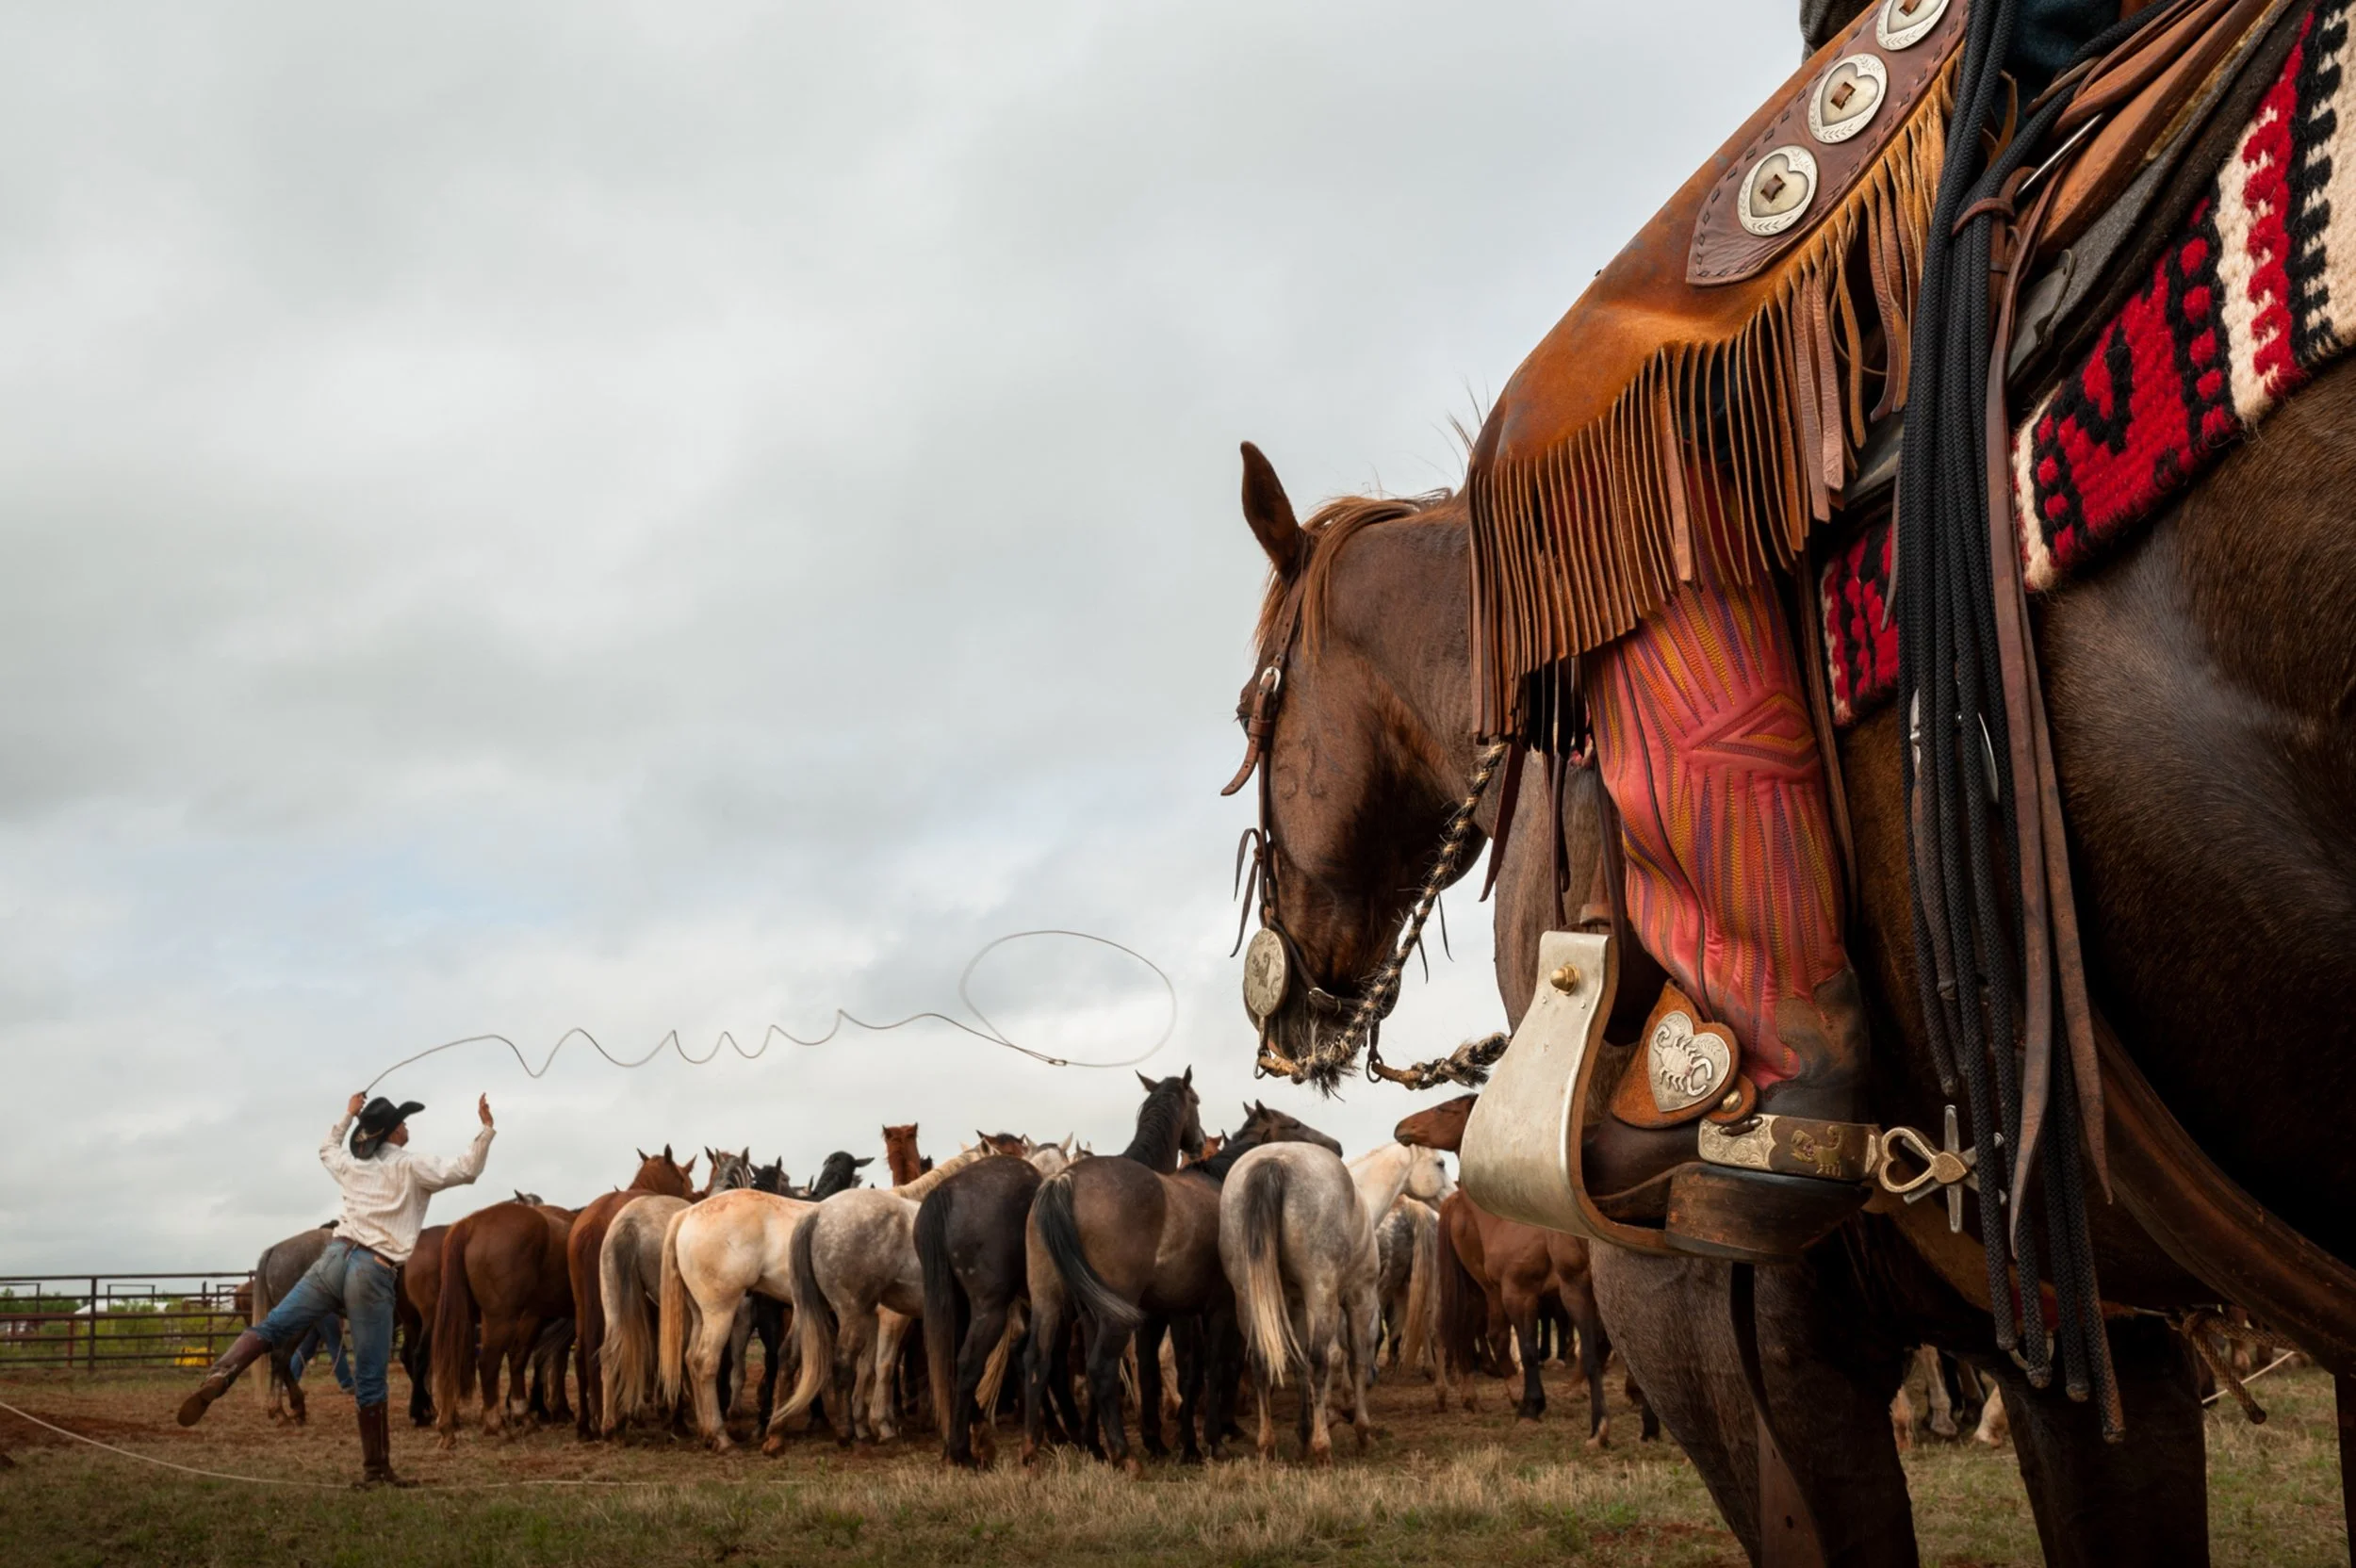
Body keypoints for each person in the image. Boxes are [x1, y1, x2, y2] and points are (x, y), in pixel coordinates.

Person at [174, 1091, 495, 1485]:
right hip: (372, 1270)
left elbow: (327, 1148)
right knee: (372, 1376)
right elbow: (466, 1170)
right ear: (394, 1131)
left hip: (332, 1257)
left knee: (273, 1326)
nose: (408, 1126)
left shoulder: (350, 1166)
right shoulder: (413, 1166)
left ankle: (222, 1372)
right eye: (403, 1122)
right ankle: (376, 1470)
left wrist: (347, 1115)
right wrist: (486, 1129)